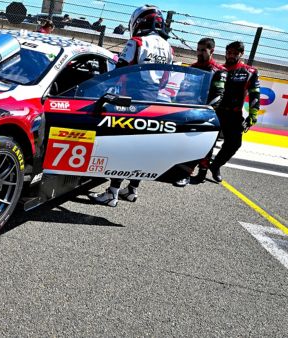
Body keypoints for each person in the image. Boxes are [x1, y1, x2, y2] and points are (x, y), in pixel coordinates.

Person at [89, 4, 173, 207]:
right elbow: (165, 79)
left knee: (124, 146)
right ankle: (132, 190)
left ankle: (112, 193)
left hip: (131, 100)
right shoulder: (168, 47)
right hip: (153, 100)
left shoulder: (137, 41)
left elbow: (119, 71)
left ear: (139, 21)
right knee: (143, 147)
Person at [175, 37, 227, 186]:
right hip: (189, 111)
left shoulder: (219, 71)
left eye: (203, 50)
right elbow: (183, 89)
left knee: (204, 146)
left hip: (208, 113)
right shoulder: (193, 67)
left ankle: (196, 174)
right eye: (198, 49)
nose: (199, 53)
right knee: (186, 144)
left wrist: (205, 112)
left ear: (212, 51)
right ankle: (183, 171)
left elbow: (218, 95)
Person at [208, 41, 260, 182]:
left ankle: (216, 165)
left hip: (234, 114)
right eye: (229, 53)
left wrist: (253, 115)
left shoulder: (250, 72)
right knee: (207, 142)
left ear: (241, 54)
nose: (231, 56)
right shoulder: (218, 69)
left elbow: (255, 95)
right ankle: (201, 168)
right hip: (216, 112)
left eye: (235, 53)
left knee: (234, 144)